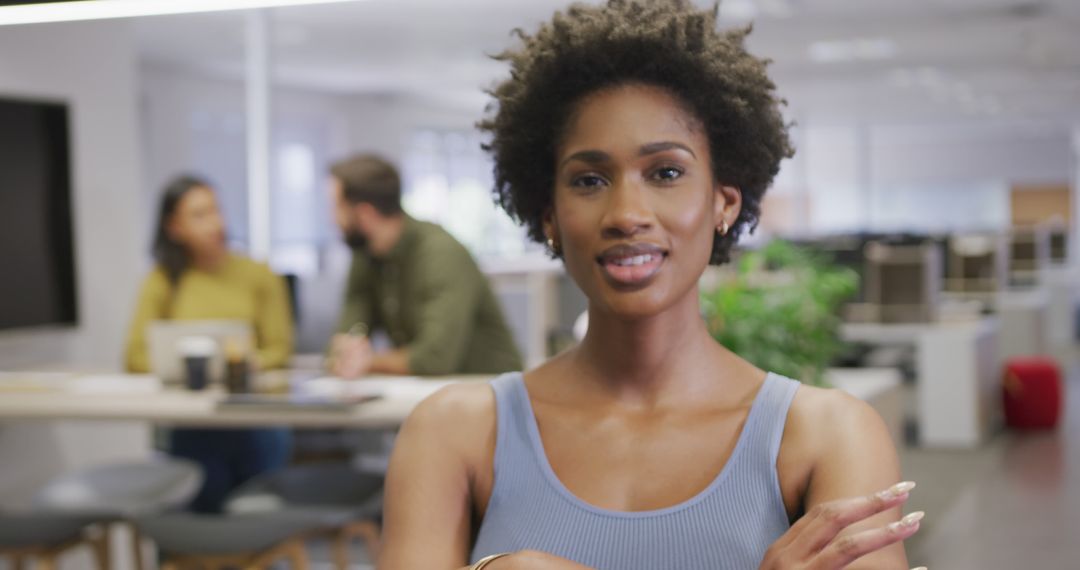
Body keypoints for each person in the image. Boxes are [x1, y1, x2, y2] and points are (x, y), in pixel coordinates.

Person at [378, 2, 925, 569]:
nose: (626, 213)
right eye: (589, 180)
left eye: (665, 172)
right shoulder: (455, 433)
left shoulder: (828, 435)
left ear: (723, 203)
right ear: (549, 218)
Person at [125, 175, 294, 513]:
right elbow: (135, 356)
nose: (215, 222)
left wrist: (247, 361)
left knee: (258, 510)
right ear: (174, 227)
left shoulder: (258, 273)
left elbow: (279, 348)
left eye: (216, 210)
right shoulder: (163, 279)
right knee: (196, 499)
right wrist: (189, 368)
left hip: (252, 415)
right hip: (193, 420)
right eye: (199, 215)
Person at [327, 154, 522, 378]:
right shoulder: (366, 257)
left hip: (488, 390)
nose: (333, 219)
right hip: (429, 392)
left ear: (364, 213)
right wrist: (345, 353)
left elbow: (434, 359)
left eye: (337, 207)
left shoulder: (440, 253)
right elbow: (343, 340)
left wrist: (368, 361)